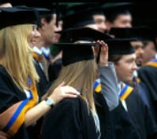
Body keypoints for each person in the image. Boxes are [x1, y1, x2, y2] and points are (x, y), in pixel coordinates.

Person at [0, 7, 80, 139]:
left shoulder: (32, 67)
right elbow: (13, 122)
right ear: (16, 34)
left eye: (37, 28)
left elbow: (41, 99)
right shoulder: (2, 73)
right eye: (32, 29)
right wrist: (50, 101)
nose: (37, 34)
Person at [41, 26, 118, 139]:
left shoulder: (85, 97)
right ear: (88, 69)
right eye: (95, 65)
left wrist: (103, 64)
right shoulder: (68, 104)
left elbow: (111, 101)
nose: (97, 69)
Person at [106, 38, 157, 139]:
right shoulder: (98, 98)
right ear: (111, 64)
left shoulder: (132, 95)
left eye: (134, 61)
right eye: (129, 62)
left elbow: (151, 132)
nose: (135, 67)